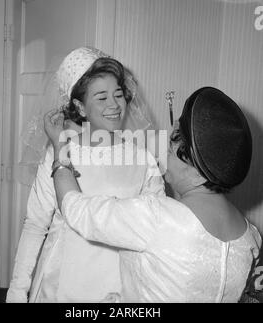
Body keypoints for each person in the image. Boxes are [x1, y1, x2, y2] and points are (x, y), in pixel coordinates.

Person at [45, 86, 262, 302]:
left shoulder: (157, 218)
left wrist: (60, 149)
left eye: (171, 150)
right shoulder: (251, 236)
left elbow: (75, 209)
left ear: (198, 173)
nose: (164, 154)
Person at [6, 47, 164, 303]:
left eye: (118, 94)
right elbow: (35, 225)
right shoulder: (59, 154)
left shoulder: (143, 159)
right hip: (60, 286)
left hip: (118, 290)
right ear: (80, 107)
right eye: (101, 98)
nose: (114, 105)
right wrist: (16, 291)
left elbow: (156, 230)